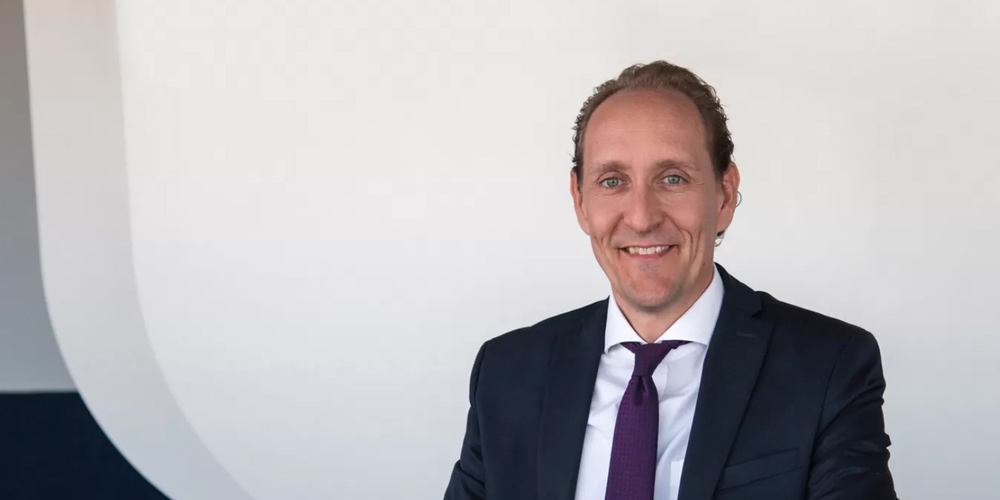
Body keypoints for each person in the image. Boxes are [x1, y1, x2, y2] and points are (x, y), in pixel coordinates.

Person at [443, 61, 896, 500]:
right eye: (612, 181)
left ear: (724, 195)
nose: (642, 218)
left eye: (673, 178)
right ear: (580, 201)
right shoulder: (507, 372)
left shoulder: (827, 366)